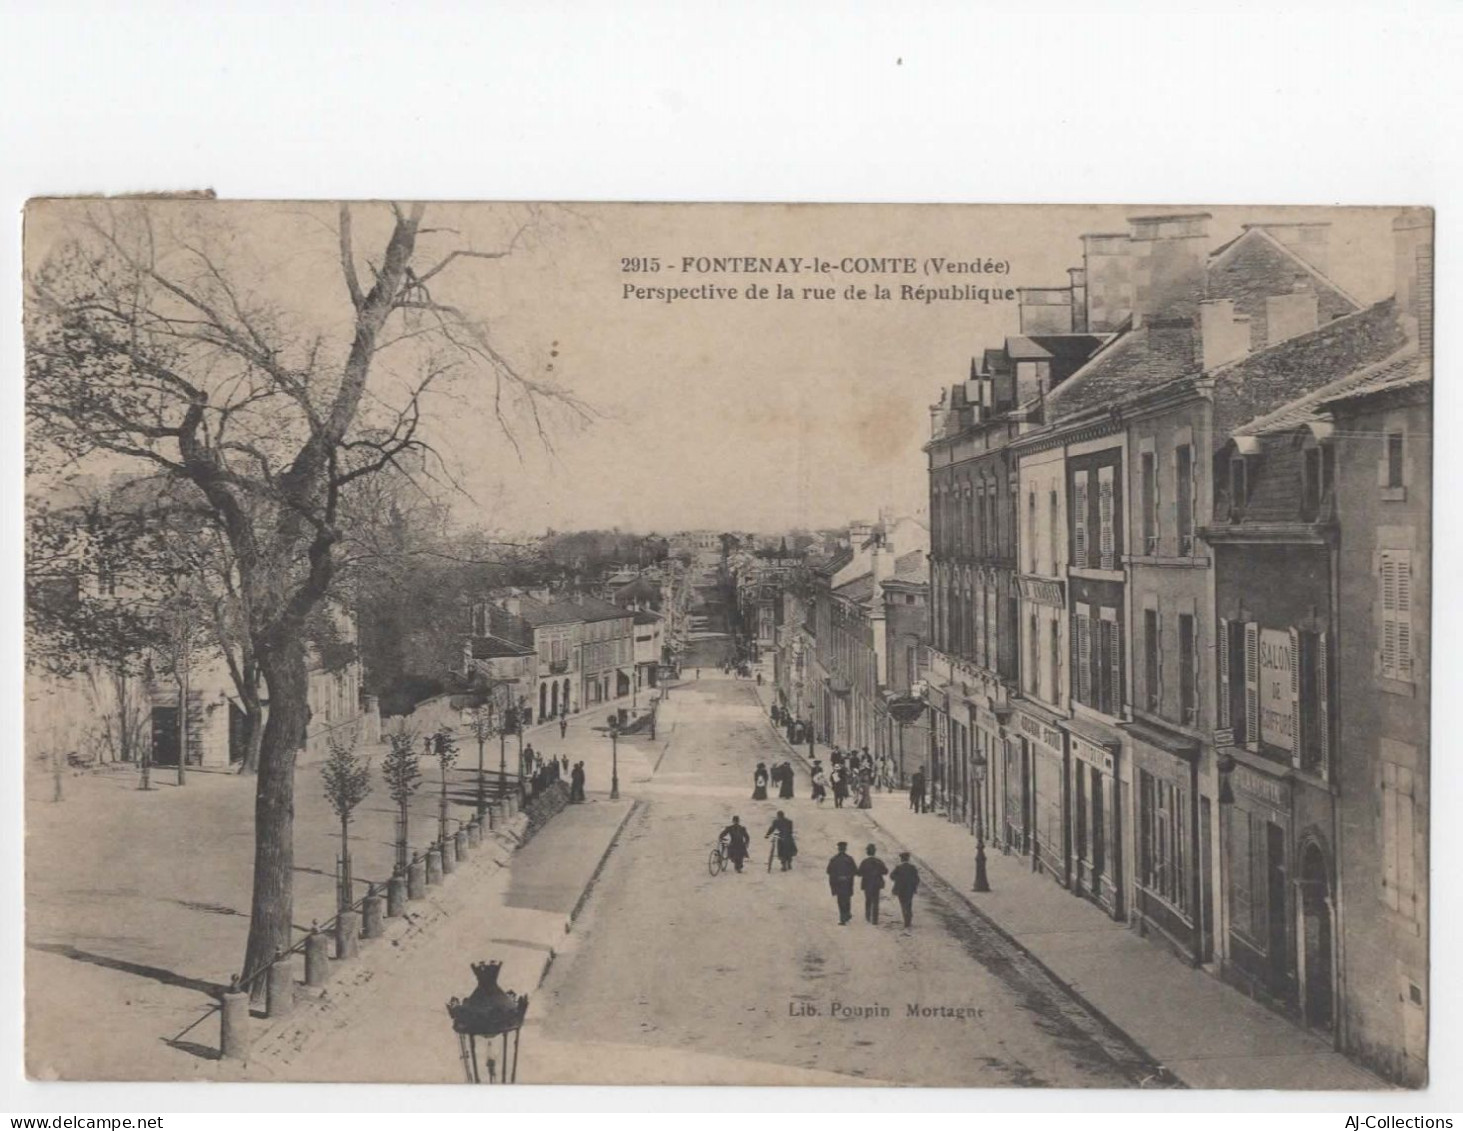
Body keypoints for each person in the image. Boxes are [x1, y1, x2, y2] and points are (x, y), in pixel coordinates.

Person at [826, 841, 857, 925]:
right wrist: (848, 876)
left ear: (838, 849)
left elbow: (828, 871)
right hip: (847, 883)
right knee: (847, 899)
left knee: (840, 901)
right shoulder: (850, 859)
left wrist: (836, 877)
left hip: (838, 883)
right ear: (845, 849)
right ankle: (847, 914)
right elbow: (855, 871)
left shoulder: (834, 859)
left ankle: (843, 917)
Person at [857, 843, 889, 924]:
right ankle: (875, 920)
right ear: (874, 852)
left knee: (868, 900)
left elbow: (859, 873)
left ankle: (868, 917)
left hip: (867, 884)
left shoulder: (864, 862)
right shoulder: (879, 861)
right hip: (877, 884)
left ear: (867, 852)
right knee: (876, 902)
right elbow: (885, 871)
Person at [890, 851, 919, 928]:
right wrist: (914, 886)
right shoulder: (912, 867)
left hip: (900, 889)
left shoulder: (898, 867)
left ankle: (906, 919)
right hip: (910, 889)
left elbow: (892, 876)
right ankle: (908, 920)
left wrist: (898, 880)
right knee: (909, 904)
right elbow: (917, 879)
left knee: (903, 904)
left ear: (901, 859)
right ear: (908, 859)